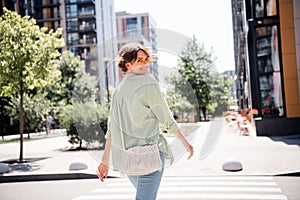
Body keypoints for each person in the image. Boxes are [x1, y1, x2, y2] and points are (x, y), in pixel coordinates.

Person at [97, 42, 194, 200]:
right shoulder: (148, 84)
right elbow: (166, 118)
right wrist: (186, 143)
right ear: (128, 65)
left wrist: (105, 161)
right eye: (139, 60)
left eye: (146, 59)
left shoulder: (118, 91)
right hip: (150, 157)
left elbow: (111, 130)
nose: (145, 64)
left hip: (128, 160)